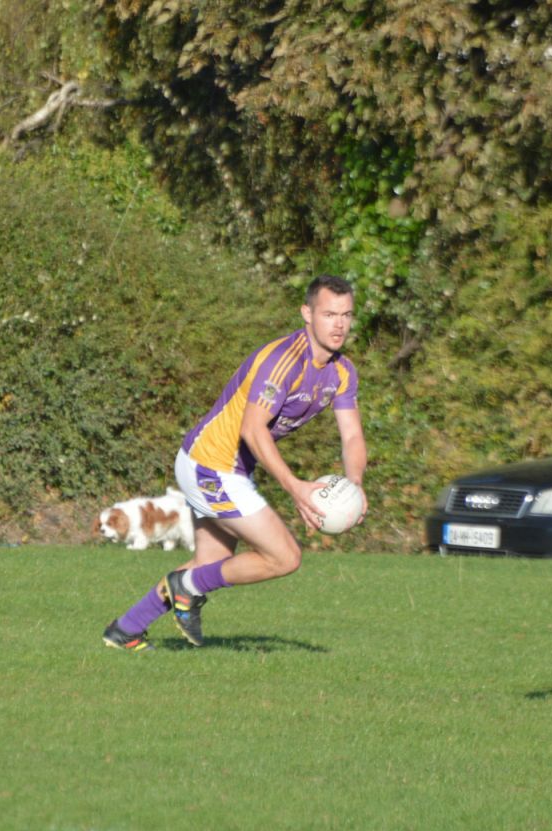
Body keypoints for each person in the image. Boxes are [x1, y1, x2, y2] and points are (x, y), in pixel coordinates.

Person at [102, 274, 368, 651]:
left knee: (211, 562)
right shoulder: (283, 361)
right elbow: (253, 429)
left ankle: (125, 629)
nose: (339, 324)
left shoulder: (342, 372)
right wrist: (295, 488)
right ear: (307, 313)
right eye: (329, 314)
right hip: (210, 464)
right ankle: (185, 590)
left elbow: (353, 436)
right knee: (284, 557)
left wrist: (355, 484)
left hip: (223, 467)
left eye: (346, 315)